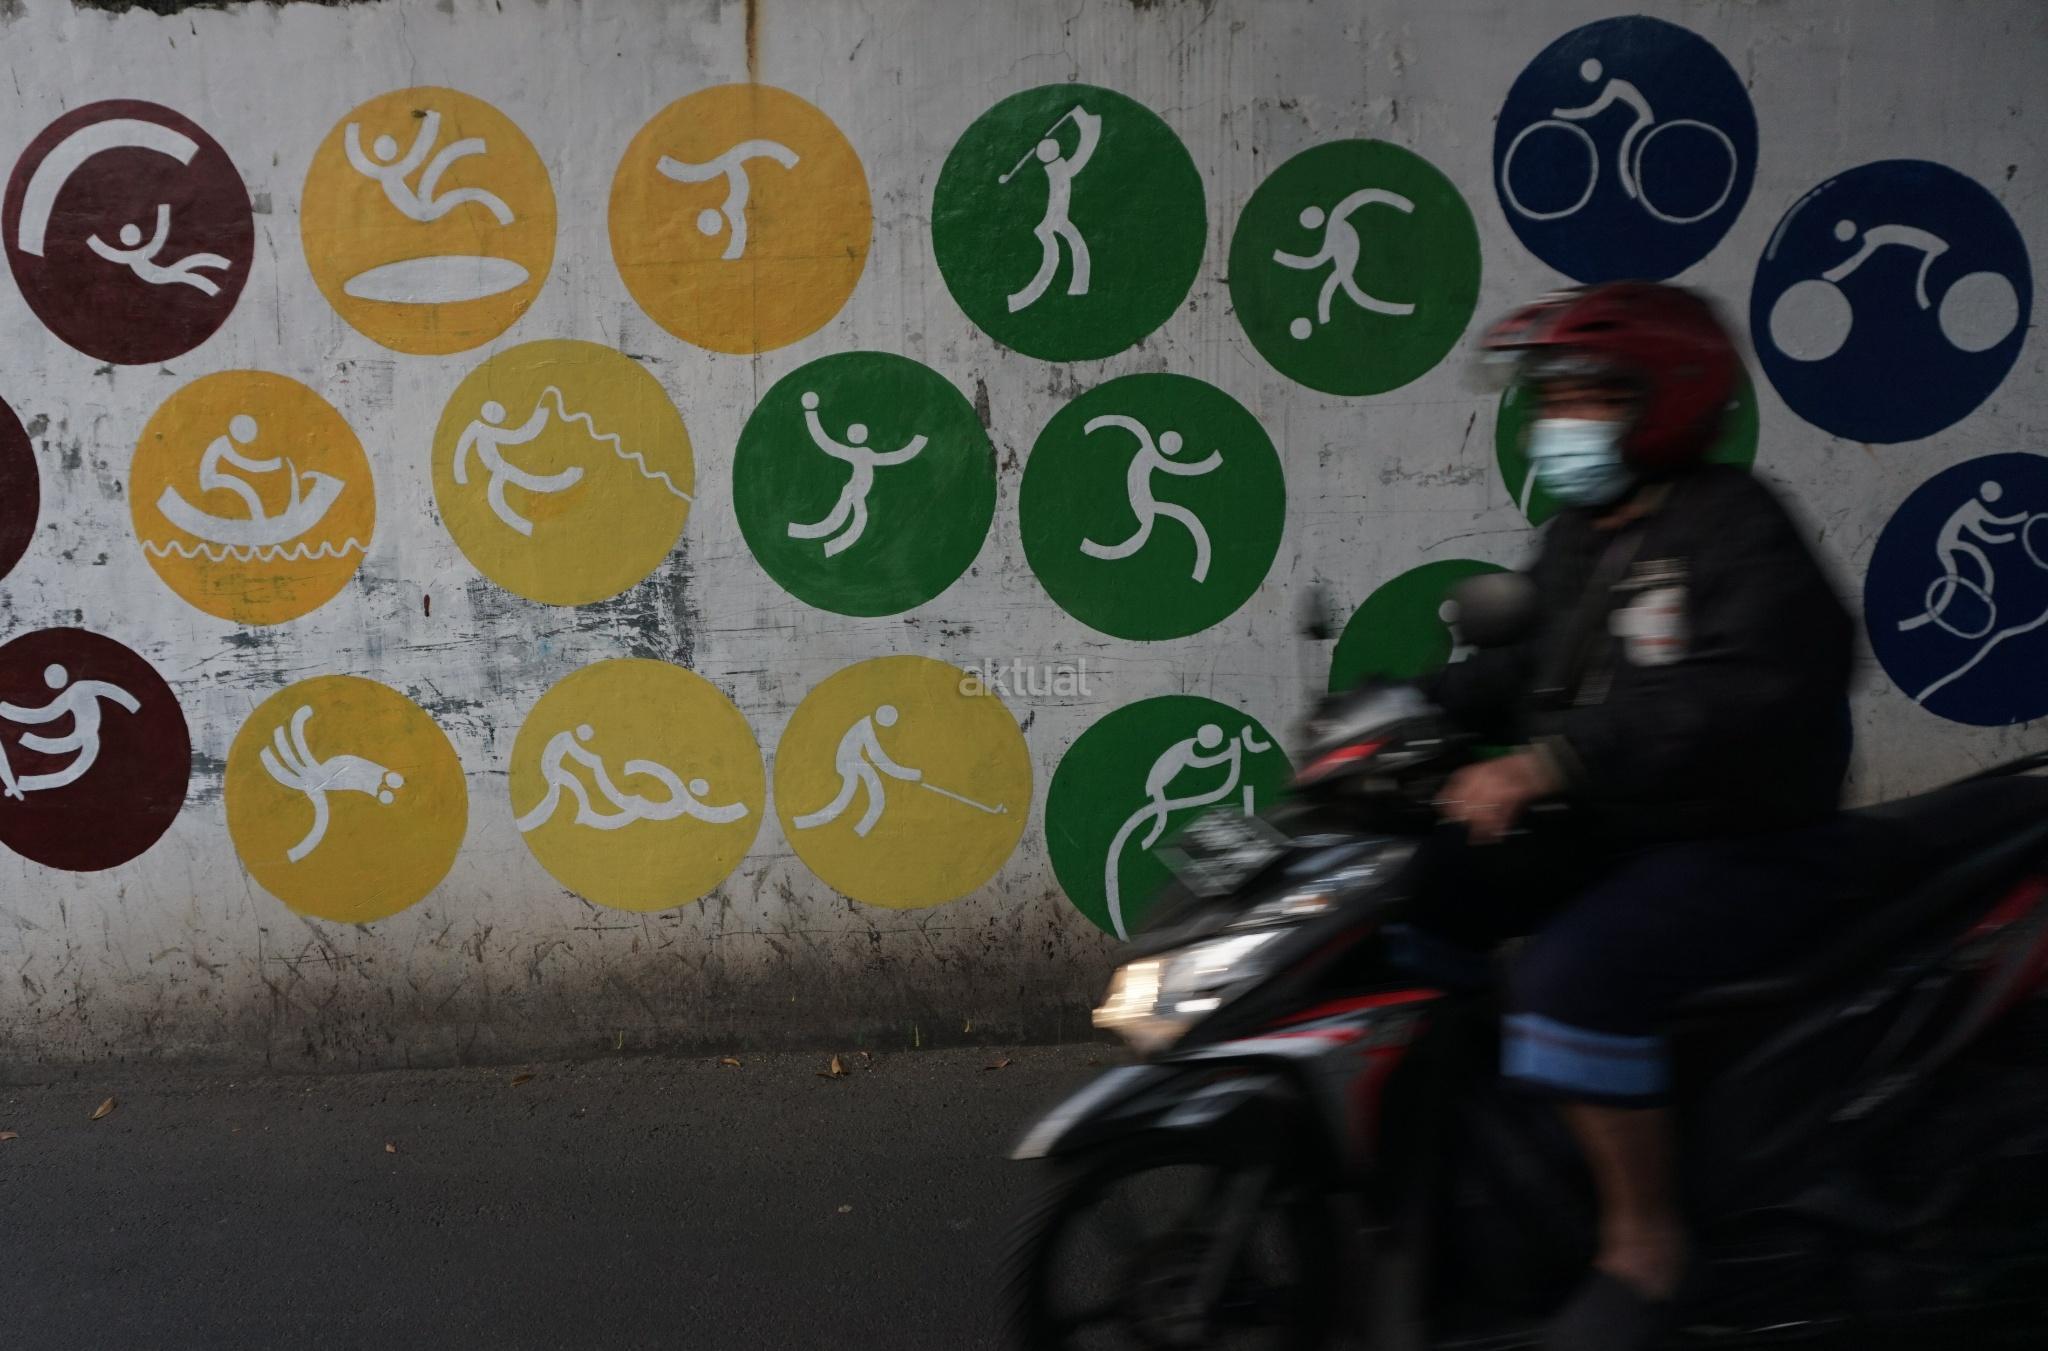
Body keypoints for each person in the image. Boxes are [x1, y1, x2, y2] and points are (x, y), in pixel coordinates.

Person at [1411, 282, 1856, 1351]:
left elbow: (1735, 695)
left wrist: (1550, 762)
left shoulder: (1733, 525)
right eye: (1551, 397)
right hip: (1630, 823)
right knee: (1425, 887)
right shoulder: (1581, 533)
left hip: (1744, 840)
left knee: (1571, 975)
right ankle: (1477, 1156)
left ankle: (1643, 1243)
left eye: (1585, 396)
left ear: (1666, 400)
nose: (1555, 418)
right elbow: (1530, 664)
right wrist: (1406, 708)